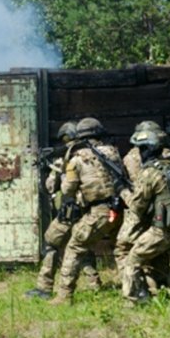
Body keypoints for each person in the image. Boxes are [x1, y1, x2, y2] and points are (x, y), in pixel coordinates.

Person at [50, 117, 125, 305]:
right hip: (118, 209)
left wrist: (62, 174)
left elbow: (67, 190)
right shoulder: (113, 152)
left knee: (75, 247)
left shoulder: (77, 160)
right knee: (122, 250)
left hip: (98, 212)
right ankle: (131, 289)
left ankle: (64, 296)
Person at [120, 129, 170, 304]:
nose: (139, 153)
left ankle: (132, 302)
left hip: (162, 231)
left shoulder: (150, 172)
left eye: (141, 149)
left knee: (132, 260)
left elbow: (137, 206)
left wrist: (122, 190)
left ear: (148, 149)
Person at [25, 121, 101, 299]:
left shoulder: (68, 159)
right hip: (87, 209)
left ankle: (44, 287)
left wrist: (49, 170)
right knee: (82, 247)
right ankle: (94, 283)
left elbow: (51, 187)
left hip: (69, 210)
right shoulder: (94, 155)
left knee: (51, 243)